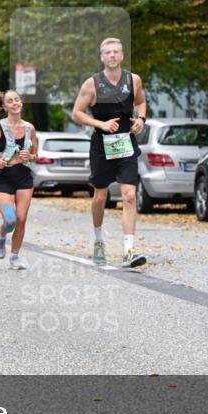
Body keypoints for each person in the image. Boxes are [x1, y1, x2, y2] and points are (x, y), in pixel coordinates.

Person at [71, 37, 148, 268]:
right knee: (101, 196)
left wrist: (141, 119)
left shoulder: (133, 80)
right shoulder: (91, 84)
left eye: (116, 52)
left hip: (125, 143)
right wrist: (101, 125)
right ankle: (98, 240)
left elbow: (142, 103)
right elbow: (77, 113)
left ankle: (129, 250)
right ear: (102, 57)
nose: (112, 55)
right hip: (101, 146)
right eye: (108, 52)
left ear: (122, 56)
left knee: (130, 195)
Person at [0, 90, 39, 269]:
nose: (15, 103)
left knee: (21, 219)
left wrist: (31, 155)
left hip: (24, 177)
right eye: (10, 101)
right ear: (5, 106)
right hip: (4, 178)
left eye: (17, 100)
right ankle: (1, 235)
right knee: (10, 220)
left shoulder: (30, 128)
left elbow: (36, 154)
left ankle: (14, 257)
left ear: (21, 103)